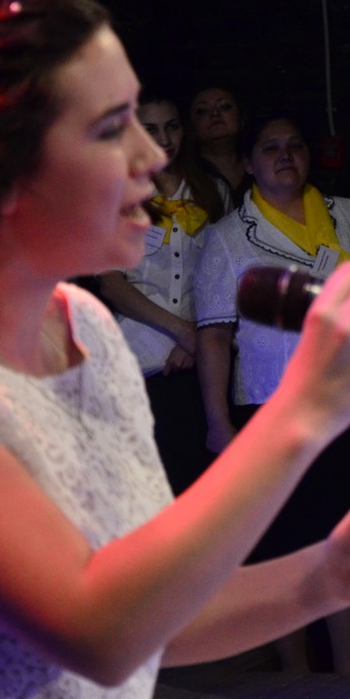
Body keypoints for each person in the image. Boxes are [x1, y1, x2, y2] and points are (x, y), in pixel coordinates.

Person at [0, 0, 350, 699]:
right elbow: (97, 634)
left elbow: (156, 618)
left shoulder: (85, 326)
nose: (151, 155)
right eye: (112, 127)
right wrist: (302, 409)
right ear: (0, 165)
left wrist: (329, 575)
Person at [195, 113, 350, 674]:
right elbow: (213, 336)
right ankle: (297, 677)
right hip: (271, 408)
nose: (285, 156)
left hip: (348, 403)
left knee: (346, 537)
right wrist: (218, 423)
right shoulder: (228, 236)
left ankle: (349, 675)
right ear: (247, 164)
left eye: (294, 145)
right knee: (286, 542)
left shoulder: (346, 214)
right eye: (270, 148)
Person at [98, 91, 228, 494]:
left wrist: (197, 334)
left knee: (200, 488)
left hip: (200, 362)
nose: (164, 138)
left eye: (172, 127)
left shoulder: (212, 190)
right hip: (138, 358)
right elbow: (111, 283)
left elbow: (222, 278)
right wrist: (181, 330)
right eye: (150, 129)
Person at [188, 85, 247, 199]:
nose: (215, 113)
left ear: (241, 118)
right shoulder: (183, 175)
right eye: (202, 110)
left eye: (225, 106)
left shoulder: (261, 165)